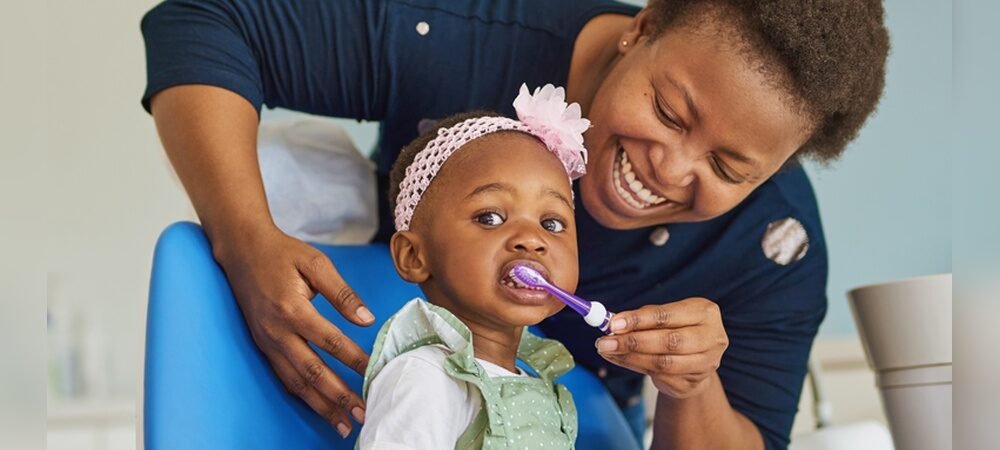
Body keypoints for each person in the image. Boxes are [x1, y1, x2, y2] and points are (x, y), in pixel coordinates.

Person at [140, 0, 889, 448]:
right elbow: (206, 20)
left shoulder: (773, 248)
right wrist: (244, 235)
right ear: (645, 26)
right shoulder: (462, 32)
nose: (670, 168)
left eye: (728, 169)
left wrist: (692, 389)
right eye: (668, 111)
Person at [358, 85, 587, 449]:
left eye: (552, 224)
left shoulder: (539, 386)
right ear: (414, 257)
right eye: (491, 217)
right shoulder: (426, 377)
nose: (531, 239)